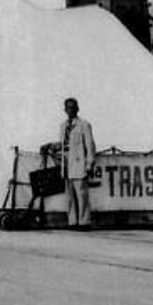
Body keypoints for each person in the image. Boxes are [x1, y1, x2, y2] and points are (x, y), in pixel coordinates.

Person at [59, 97, 96, 228]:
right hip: (67, 163)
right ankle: (72, 221)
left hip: (79, 163)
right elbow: (63, 145)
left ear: (78, 108)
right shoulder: (63, 126)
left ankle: (84, 221)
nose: (71, 110)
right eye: (68, 107)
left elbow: (90, 145)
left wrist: (90, 164)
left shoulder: (84, 125)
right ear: (65, 110)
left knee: (81, 194)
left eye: (73, 107)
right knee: (69, 195)